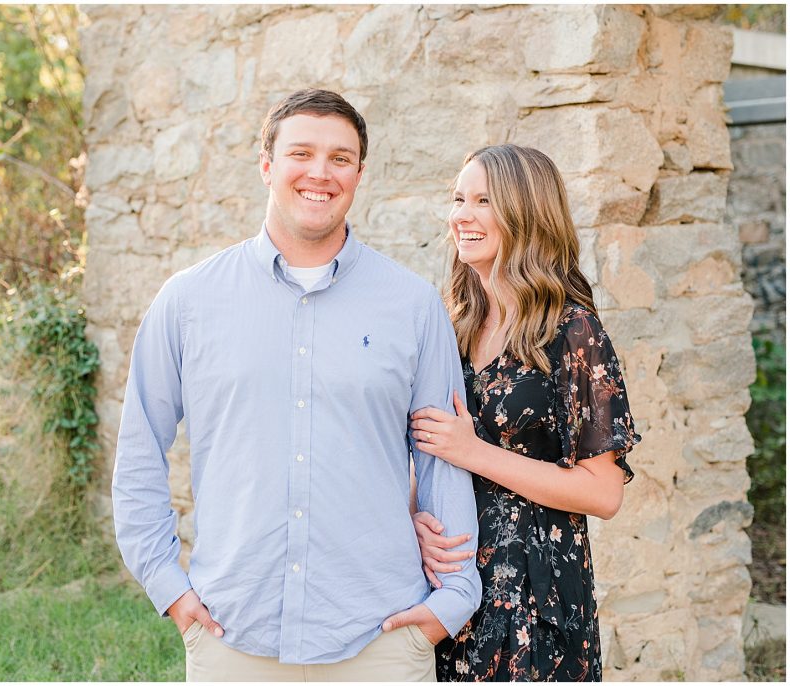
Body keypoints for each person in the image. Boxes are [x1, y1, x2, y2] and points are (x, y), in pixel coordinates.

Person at [112, 89, 481, 681]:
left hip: (381, 639)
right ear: (266, 165)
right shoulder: (187, 302)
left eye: (341, 158)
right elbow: (139, 452)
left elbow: (441, 457)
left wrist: (451, 602)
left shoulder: (413, 306)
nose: (320, 172)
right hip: (232, 636)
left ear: (360, 173)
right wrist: (168, 586)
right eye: (301, 153)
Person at [409, 144, 640, 681]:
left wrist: (474, 453)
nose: (460, 215)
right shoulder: (454, 324)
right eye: (458, 198)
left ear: (526, 212)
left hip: (534, 599)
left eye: (483, 200)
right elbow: (429, 446)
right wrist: (415, 518)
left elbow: (603, 493)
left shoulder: (572, 330)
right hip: (451, 588)